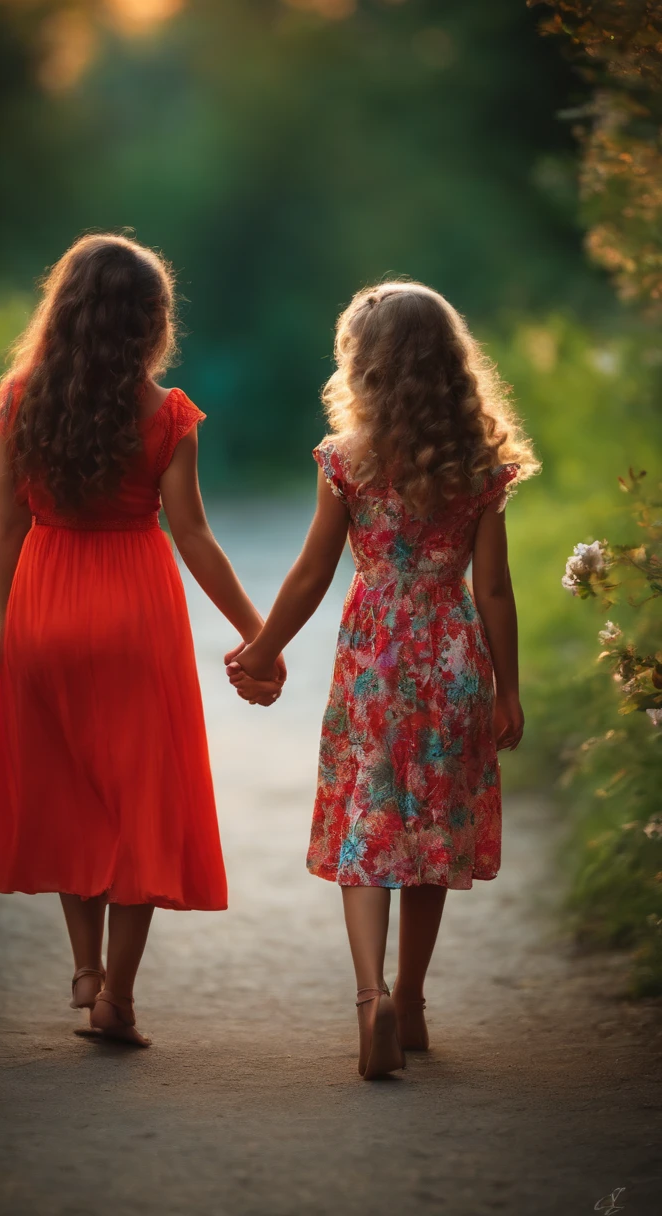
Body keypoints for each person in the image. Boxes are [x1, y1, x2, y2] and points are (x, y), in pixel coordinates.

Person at [0, 233, 282, 1046]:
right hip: (136, 612)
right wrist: (260, 635)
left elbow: (7, 533)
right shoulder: (166, 414)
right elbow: (196, 536)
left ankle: (82, 966)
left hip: (46, 605)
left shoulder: (14, 405)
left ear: (63, 312)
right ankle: (120, 1000)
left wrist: (14, 636)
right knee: (140, 799)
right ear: (150, 322)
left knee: (71, 789)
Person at [227, 280, 539, 1079]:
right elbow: (494, 588)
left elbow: (310, 572)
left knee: (372, 820)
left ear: (363, 365)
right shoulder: (481, 463)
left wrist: (263, 649)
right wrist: (508, 688)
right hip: (452, 654)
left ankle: (372, 999)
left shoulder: (349, 460)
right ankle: (415, 998)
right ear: (451, 363)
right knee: (432, 831)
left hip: (375, 659)